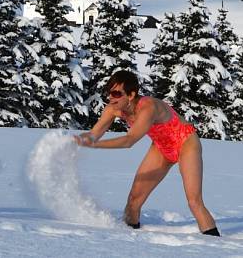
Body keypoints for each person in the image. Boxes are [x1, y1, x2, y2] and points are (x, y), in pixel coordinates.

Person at [75, 70, 220, 236]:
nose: (110, 97)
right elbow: (93, 134)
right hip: (161, 148)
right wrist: (73, 142)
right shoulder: (112, 109)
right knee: (133, 201)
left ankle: (214, 246)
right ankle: (131, 241)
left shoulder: (148, 107)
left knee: (194, 202)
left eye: (116, 93)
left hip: (186, 142)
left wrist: (95, 145)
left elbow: (129, 140)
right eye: (109, 92)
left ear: (131, 95)